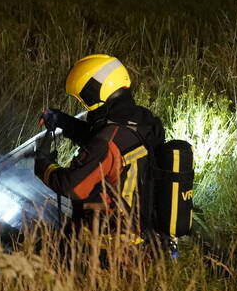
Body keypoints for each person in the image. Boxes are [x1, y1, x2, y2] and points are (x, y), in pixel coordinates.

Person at [34, 54, 163, 245]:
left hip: (109, 241)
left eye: (84, 99)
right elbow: (101, 141)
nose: (85, 106)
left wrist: (44, 165)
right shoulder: (142, 120)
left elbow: (71, 186)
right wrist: (62, 120)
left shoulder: (106, 140)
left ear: (96, 93)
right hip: (144, 230)